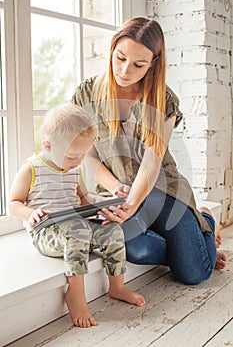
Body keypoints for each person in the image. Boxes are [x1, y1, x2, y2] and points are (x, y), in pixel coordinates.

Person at [71, 16, 227, 286]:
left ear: (153, 63)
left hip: (162, 190)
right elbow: (88, 155)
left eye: (138, 64)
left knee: (195, 273)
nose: (124, 70)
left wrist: (132, 204)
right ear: (111, 50)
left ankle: (204, 220)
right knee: (136, 249)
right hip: (118, 192)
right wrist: (117, 187)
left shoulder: (162, 99)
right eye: (120, 58)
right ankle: (188, 244)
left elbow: (152, 163)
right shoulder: (86, 94)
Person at [8, 104, 146, 329]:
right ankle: (76, 294)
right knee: (78, 230)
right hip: (46, 233)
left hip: (77, 229)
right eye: (73, 156)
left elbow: (83, 199)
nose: (79, 161)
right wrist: (31, 213)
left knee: (113, 229)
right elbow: (13, 203)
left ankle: (117, 286)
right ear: (48, 146)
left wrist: (104, 203)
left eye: (83, 155)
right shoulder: (31, 169)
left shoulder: (75, 169)